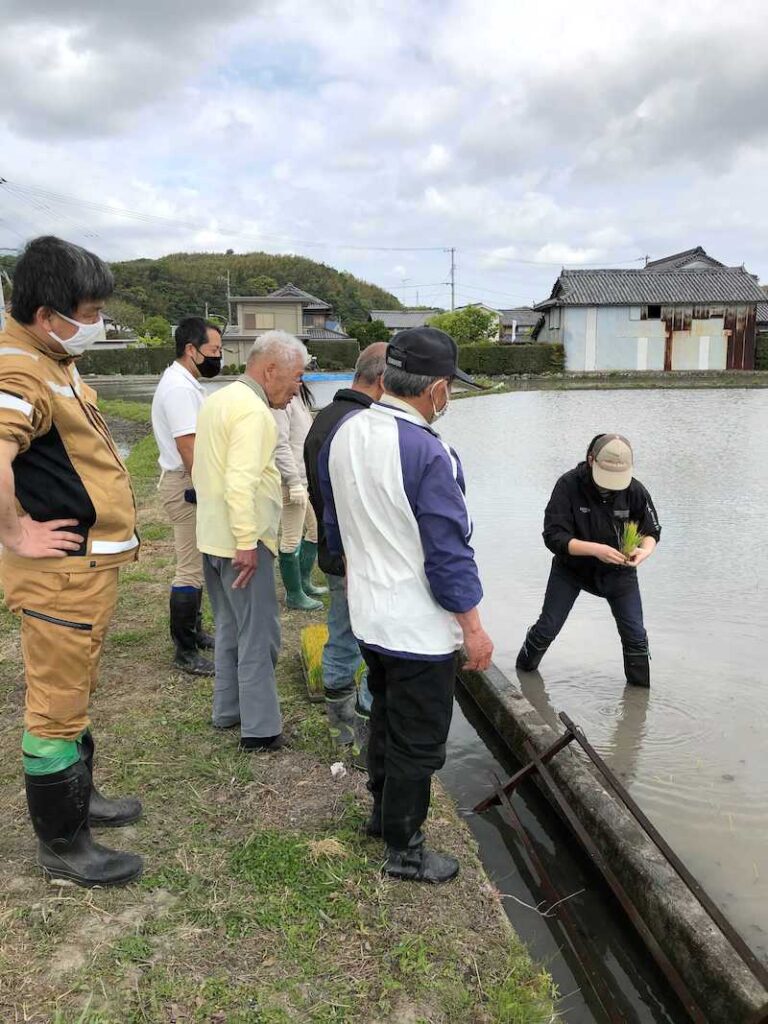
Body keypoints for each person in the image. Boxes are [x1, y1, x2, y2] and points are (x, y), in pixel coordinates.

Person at [319, 327, 493, 884]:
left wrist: (352, 576)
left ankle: (381, 814)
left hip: (370, 615)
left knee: (386, 718)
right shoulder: (430, 451)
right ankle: (406, 848)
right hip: (417, 627)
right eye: (451, 390)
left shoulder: (344, 431)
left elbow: (334, 521)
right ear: (436, 389)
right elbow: (448, 551)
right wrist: (474, 627)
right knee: (419, 740)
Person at [0, 236, 142, 887]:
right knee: (56, 705)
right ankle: (62, 843)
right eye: (87, 309)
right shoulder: (22, 368)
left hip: (83, 573)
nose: (96, 323)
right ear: (46, 312)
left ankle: (81, 801)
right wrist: (17, 533)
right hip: (59, 576)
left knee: (76, 689)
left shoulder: (49, 357)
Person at [193, 330, 308, 751]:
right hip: (242, 541)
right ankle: (260, 731)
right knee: (259, 633)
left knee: (229, 626)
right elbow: (239, 484)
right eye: (296, 377)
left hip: (212, 537)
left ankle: (228, 710)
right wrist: (247, 541)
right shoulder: (255, 413)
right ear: (270, 369)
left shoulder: (218, 400)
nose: (298, 388)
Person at [516, 433, 661, 687]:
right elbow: (553, 536)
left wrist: (645, 551)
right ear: (591, 459)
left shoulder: (635, 490)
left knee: (635, 637)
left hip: (619, 573)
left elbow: (652, 530)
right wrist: (595, 549)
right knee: (547, 627)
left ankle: (638, 704)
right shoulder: (568, 486)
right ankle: (521, 675)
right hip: (571, 570)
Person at [303, 343, 387, 751]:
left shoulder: (325, 418)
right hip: (358, 557)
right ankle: (358, 733)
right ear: (384, 380)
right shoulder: (362, 425)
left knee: (341, 631)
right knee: (369, 641)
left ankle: (341, 731)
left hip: (332, 549)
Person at [151, 317, 222, 676]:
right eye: (214, 351)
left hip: (186, 480)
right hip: (185, 484)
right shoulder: (178, 388)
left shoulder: (185, 382)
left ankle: (194, 632)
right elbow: (187, 444)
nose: (218, 357)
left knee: (195, 563)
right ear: (191, 350)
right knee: (189, 568)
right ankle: (185, 649)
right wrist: (206, 489)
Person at [273, 382, 326, 612]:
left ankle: (304, 582)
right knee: (291, 537)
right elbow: (280, 443)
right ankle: (294, 594)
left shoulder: (299, 397)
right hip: (290, 481)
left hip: (304, 478)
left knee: (315, 530)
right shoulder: (281, 401)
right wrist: (293, 482)